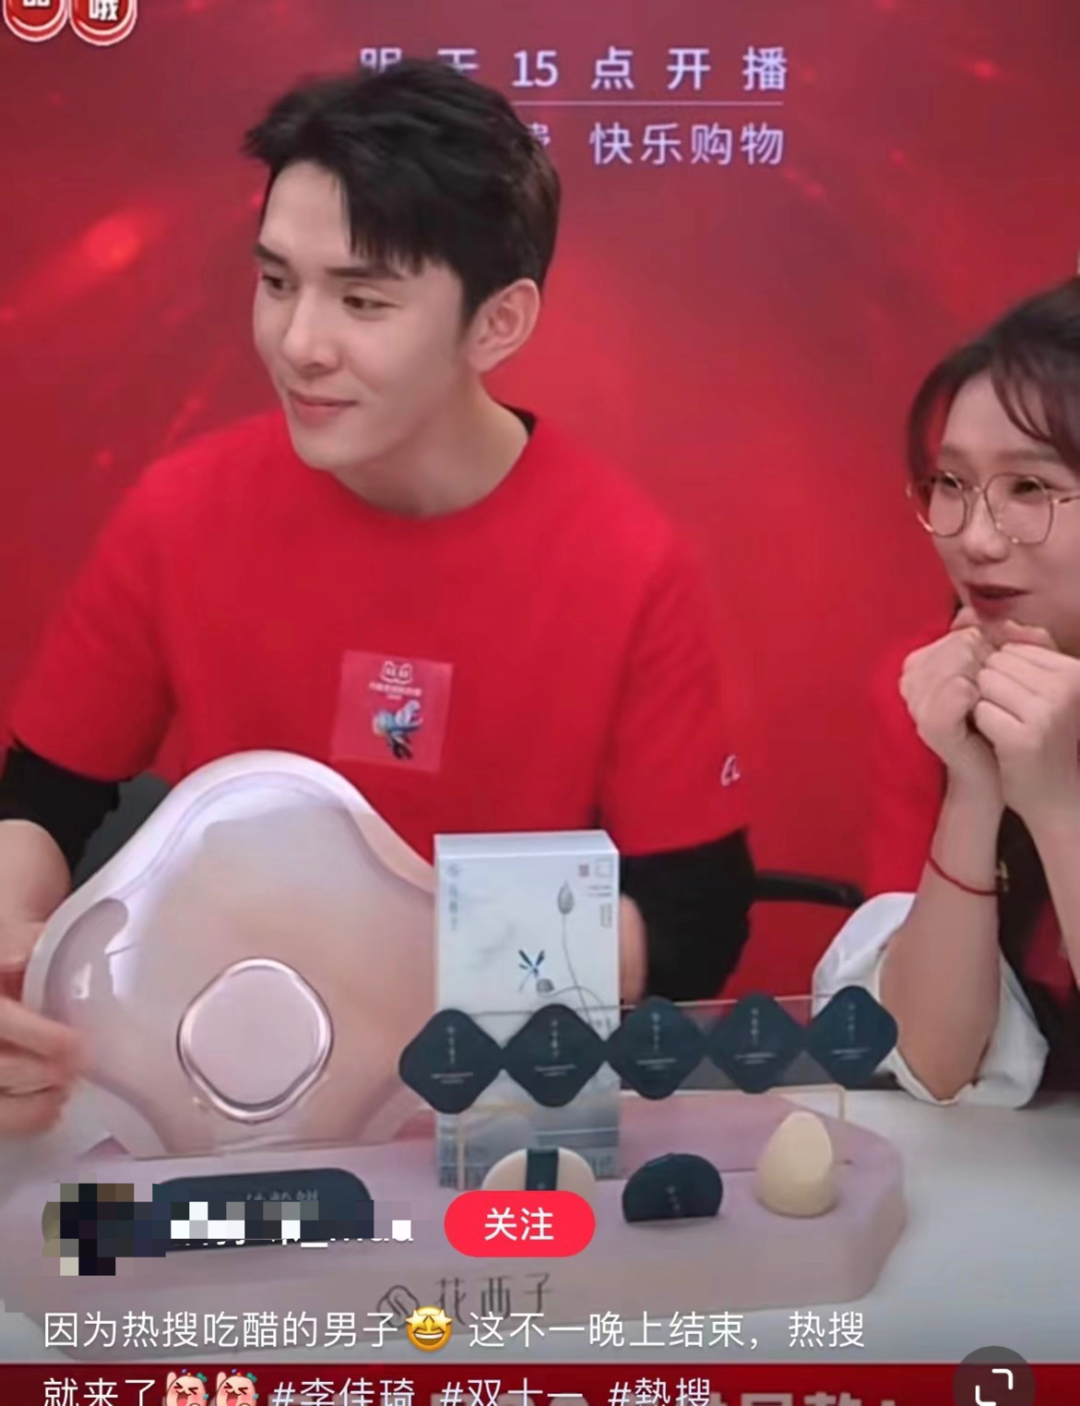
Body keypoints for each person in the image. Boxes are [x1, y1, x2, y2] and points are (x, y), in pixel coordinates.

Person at [0, 59, 755, 1136]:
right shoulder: (180, 511)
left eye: (361, 300)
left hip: (483, 1111)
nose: (298, 342)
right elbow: (41, 802)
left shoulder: (626, 560)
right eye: (276, 282)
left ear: (498, 322)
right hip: (210, 1093)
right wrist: (13, 936)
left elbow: (694, 920)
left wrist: (407, 954)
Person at [814, 276, 1080, 1106]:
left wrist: (1055, 803)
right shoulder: (935, 686)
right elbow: (934, 1059)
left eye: (1029, 488)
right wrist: (974, 786)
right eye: (952, 484)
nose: (976, 539)